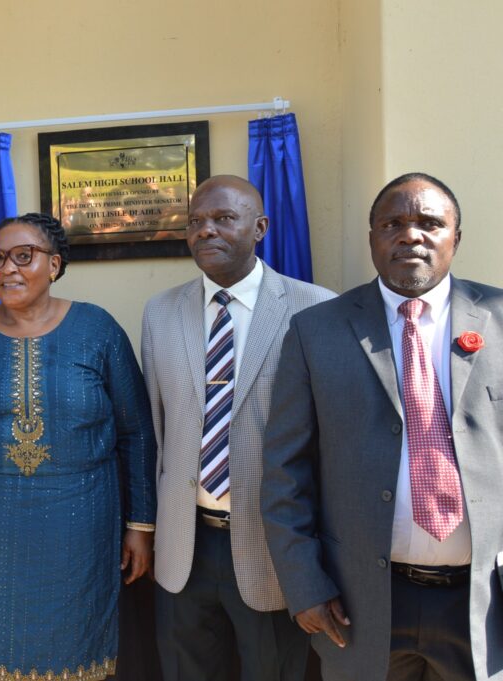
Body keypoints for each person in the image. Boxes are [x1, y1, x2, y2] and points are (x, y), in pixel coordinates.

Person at [262, 172, 503, 681]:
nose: (410, 235)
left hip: (484, 606)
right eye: (393, 223)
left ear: (455, 238)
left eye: (430, 223)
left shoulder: (499, 321)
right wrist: (304, 585)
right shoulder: (316, 331)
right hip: (363, 606)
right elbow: (286, 472)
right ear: (371, 237)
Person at [0, 212, 156, 681]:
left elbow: (137, 433)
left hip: (79, 527)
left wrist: (140, 526)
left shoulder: (98, 331)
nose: (9, 269)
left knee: (76, 645)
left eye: (24, 256)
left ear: (55, 264)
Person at [141, 175, 334, 680]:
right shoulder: (160, 313)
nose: (206, 231)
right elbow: (154, 433)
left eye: (224, 219)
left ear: (260, 227)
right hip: (185, 547)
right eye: (196, 222)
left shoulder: (314, 309)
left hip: (274, 551)